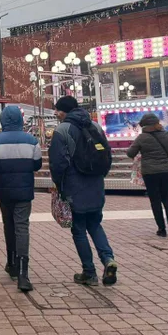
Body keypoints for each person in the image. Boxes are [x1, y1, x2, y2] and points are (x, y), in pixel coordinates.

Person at [49, 96, 118, 287]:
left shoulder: (62, 130)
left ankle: (89, 272)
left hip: (74, 185)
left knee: (78, 229)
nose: (56, 113)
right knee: (95, 224)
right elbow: (107, 155)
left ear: (65, 111)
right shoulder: (95, 126)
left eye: (57, 110)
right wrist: (100, 176)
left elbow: (58, 163)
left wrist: (59, 186)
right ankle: (108, 259)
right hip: (95, 184)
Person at [0, 106, 42, 291]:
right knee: (22, 227)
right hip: (25, 191)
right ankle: (23, 273)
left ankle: (11, 263)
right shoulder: (32, 140)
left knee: (8, 225)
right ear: (20, 119)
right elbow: (36, 165)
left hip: (4, 191)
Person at [126, 113, 168, 237]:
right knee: (167, 197)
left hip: (150, 173)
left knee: (155, 200)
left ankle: (161, 229)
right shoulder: (167, 135)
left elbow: (130, 153)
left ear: (144, 125)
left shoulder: (142, 138)